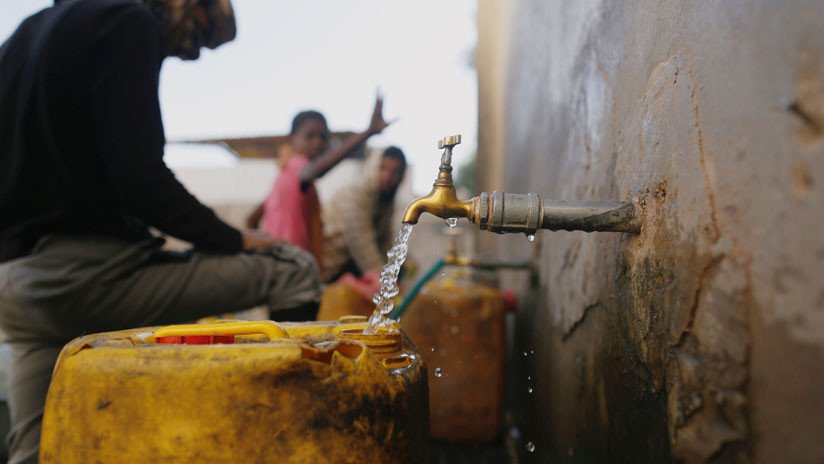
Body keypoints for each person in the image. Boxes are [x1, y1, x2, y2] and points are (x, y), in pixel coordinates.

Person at [0, 1, 322, 462]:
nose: (193, 54)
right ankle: (294, 446)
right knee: (293, 269)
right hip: (88, 276)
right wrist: (233, 239)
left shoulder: (25, 35)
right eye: (203, 32)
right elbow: (141, 179)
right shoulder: (125, 19)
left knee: (36, 452)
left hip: (17, 289)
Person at [245, 96, 392, 269]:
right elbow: (313, 171)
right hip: (289, 265)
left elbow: (252, 219)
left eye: (323, 137)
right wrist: (367, 133)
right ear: (292, 139)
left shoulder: (285, 178)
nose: (318, 142)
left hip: (284, 263)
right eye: (310, 136)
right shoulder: (297, 165)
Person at [321, 147, 408, 290]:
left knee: (401, 270)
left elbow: (384, 240)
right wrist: (386, 284)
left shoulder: (386, 200)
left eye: (394, 172)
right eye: (383, 168)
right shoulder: (357, 194)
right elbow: (361, 244)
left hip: (353, 261)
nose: (387, 176)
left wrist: (398, 265)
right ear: (374, 166)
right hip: (332, 265)